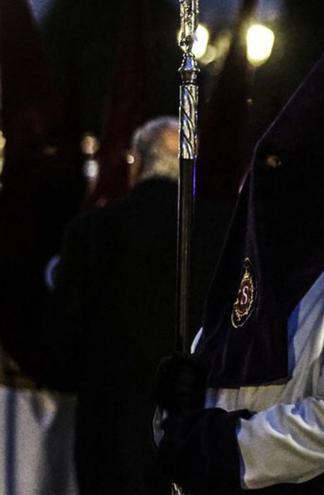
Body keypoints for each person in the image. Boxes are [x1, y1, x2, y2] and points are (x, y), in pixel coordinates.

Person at [154, 0, 324, 493]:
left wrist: (228, 447)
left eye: (287, 171)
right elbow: (216, 392)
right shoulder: (261, 268)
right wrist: (180, 405)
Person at [45, 117, 231, 494]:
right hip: (195, 424)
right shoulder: (223, 230)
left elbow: (63, 345)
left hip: (109, 429)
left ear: (135, 162)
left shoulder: (89, 231)